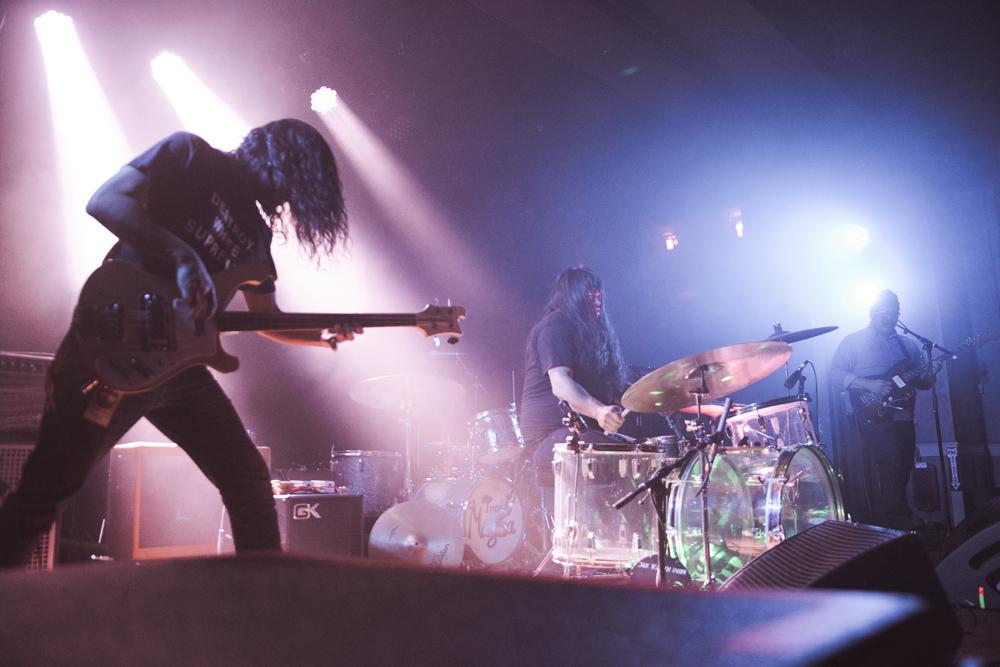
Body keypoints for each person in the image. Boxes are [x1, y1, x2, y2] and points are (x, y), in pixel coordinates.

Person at [0, 119, 358, 566]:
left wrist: (323, 335)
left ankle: (267, 608)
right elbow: (105, 201)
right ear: (278, 158)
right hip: (115, 351)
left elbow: (266, 319)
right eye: (293, 181)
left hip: (181, 373)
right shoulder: (191, 155)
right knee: (43, 494)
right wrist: (183, 256)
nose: (288, 198)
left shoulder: (258, 237)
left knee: (247, 478)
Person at [829, 289, 938, 530]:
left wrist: (930, 375)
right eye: (881, 313)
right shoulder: (854, 341)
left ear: (898, 314)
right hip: (870, 412)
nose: (886, 317)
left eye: (892, 313)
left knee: (904, 463)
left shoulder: (907, 344)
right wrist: (868, 384)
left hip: (903, 413)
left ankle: (895, 518)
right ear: (871, 313)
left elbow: (922, 383)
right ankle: (892, 522)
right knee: (892, 460)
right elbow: (835, 373)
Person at [520, 267, 629, 486]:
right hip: (548, 438)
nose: (597, 302)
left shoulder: (593, 337)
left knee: (645, 452)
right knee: (619, 455)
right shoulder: (555, 326)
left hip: (582, 433)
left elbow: (614, 389)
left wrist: (655, 397)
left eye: (599, 297)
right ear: (573, 297)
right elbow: (560, 384)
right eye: (590, 297)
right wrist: (598, 410)